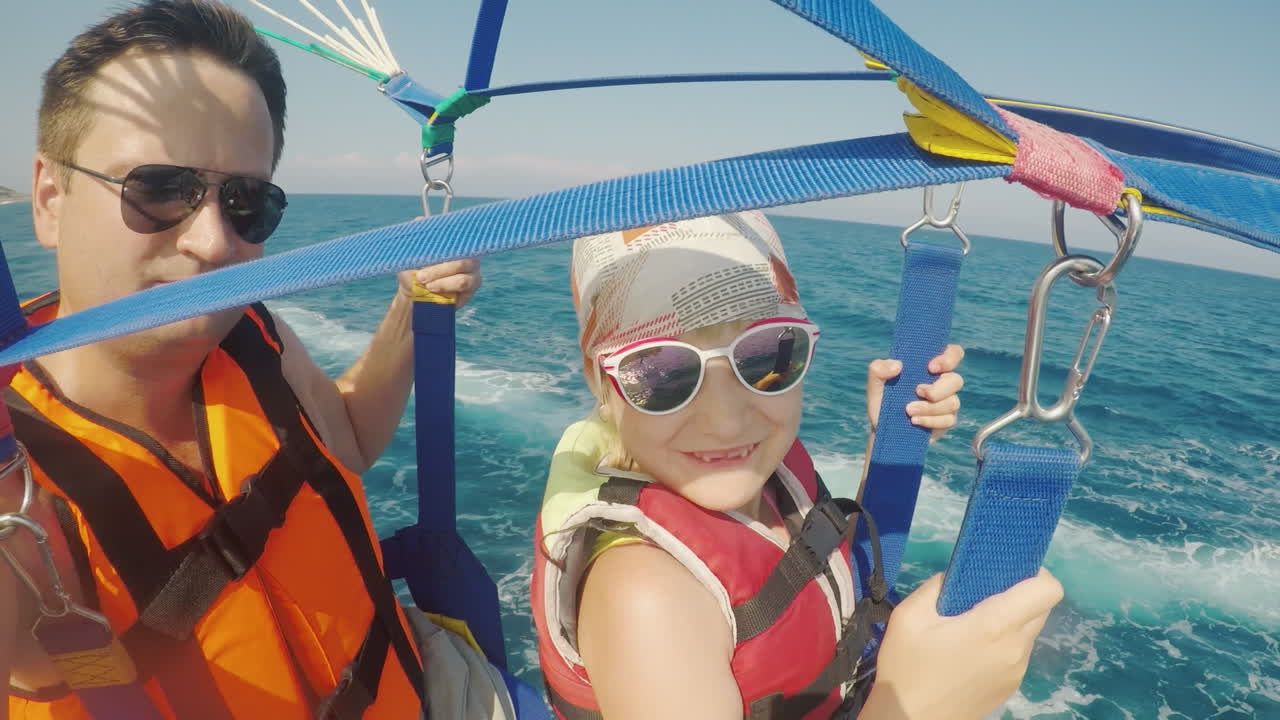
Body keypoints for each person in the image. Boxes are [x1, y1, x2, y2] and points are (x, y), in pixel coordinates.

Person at [0, 1, 481, 718]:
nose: (215, 243)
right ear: (49, 199)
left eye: (246, 201)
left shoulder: (252, 336)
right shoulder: (15, 488)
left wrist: (412, 306)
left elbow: (347, 439)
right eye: (160, 188)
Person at [530, 212, 1064, 719]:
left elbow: (812, 565)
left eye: (767, 357)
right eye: (662, 374)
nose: (725, 421)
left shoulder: (756, 471)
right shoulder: (645, 597)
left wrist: (890, 438)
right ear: (598, 378)